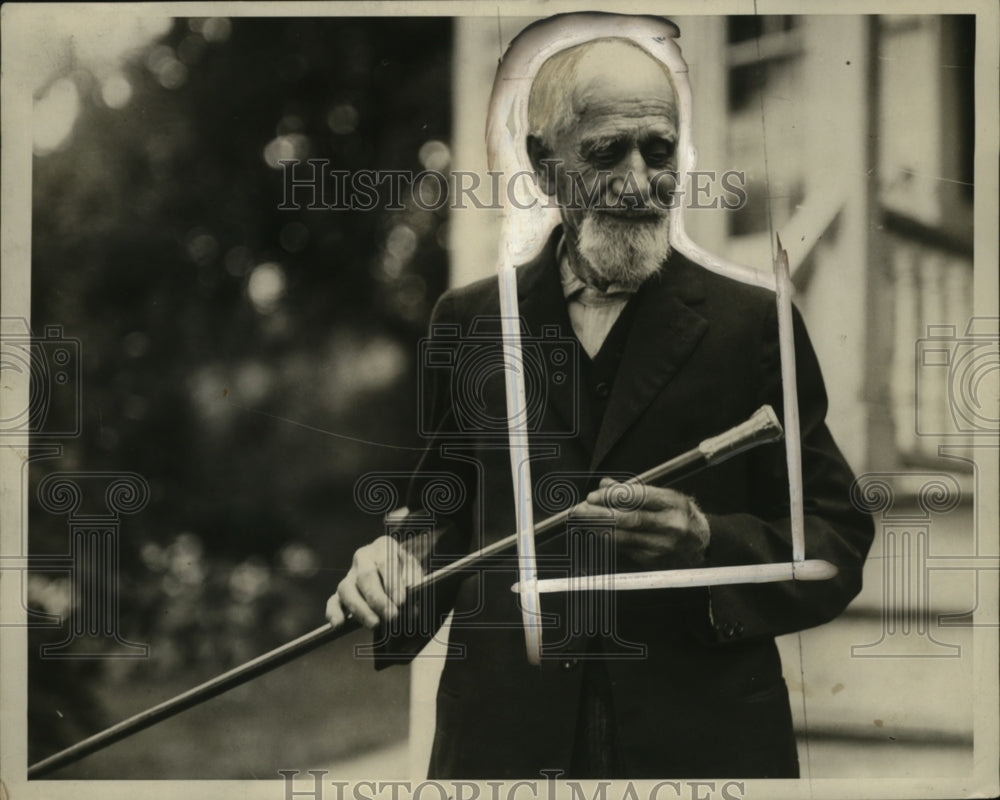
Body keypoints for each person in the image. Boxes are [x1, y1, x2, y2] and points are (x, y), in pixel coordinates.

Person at [327, 14, 874, 780]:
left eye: (659, 150)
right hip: (505, 747)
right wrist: (387, 565)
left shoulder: (755, 323)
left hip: (702, 747)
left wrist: (707, 540)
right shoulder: (474, 320)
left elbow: (837, 540)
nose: (638, 180)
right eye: (605, 152)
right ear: (543, 164)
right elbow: (441, 523)